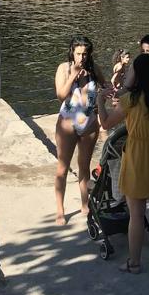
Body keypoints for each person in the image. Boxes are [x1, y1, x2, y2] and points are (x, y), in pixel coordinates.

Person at [96, 54, 149, 273]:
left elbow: (105, 123)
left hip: (137, 157)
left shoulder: (130, 100)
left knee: (136, 215)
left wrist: (99, 103)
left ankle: (134, 262)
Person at [54, 36, 106, 226]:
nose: (82, 57)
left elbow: (105, 85)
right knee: (62, 167)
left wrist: (107, 94)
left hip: (89, 122)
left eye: (85, 54)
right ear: (72, 52)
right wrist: (73, 75)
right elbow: (60, 95)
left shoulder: (94, 69)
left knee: (84, 166)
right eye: (78, 54)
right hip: (67, 122)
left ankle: (85, 204)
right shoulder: (63, 68)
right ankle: (60, 210)